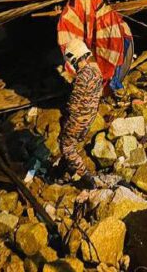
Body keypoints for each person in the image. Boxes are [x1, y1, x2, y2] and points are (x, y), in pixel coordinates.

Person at [58, 39, 103, 187]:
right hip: (90, 118)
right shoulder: (96, 72)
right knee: (71, 143)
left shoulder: (81, 77)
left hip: (78, 119)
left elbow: (73, 106)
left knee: (67, 147)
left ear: (74, 58)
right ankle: (65, 171)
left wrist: (66, 113)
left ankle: (87, 178)